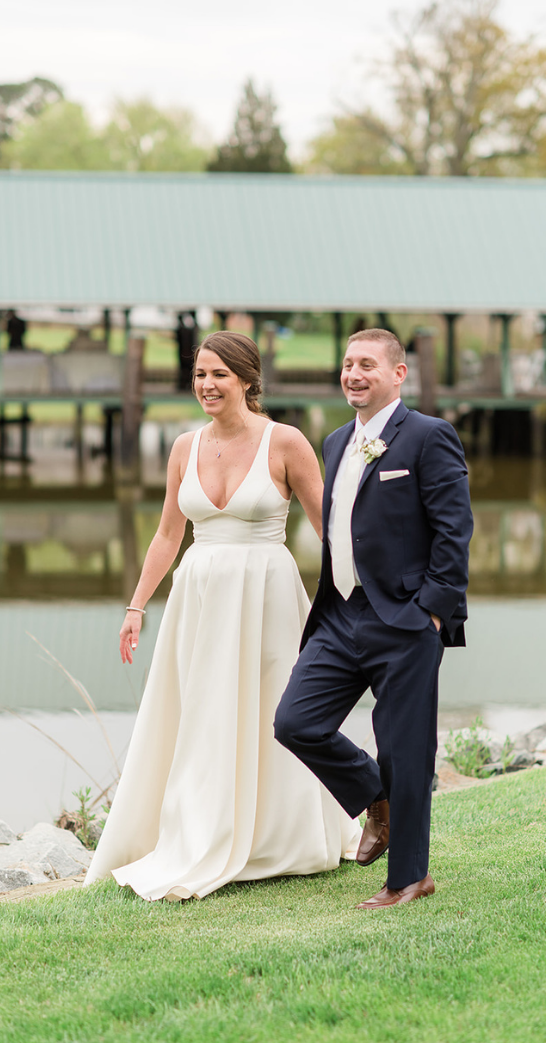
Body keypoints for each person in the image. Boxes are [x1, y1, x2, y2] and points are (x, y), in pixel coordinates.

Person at [85, 332, 359, 901]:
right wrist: (136, 604)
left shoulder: (285, 443)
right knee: (203, 713)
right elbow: (167, 534)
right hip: (199, 599)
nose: (207, 385)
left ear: (247, 380)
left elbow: (331, 530)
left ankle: (284, 833)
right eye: (199, 374)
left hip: (268, 596)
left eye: (219, 375)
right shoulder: (183, 446)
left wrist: (357, 600)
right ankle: (198, 830)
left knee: (275, 711)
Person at [272, 328, 472, 910]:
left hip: (406, 621)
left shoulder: (429, 437)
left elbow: (454, 533)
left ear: (397, 374)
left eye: (367, 365)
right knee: (295, 722)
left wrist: (431, 614)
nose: (354, 374)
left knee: (404, 748)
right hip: (340, 615)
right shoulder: (335, 442)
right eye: (347, 364)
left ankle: (409, 878)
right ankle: (374, 798)